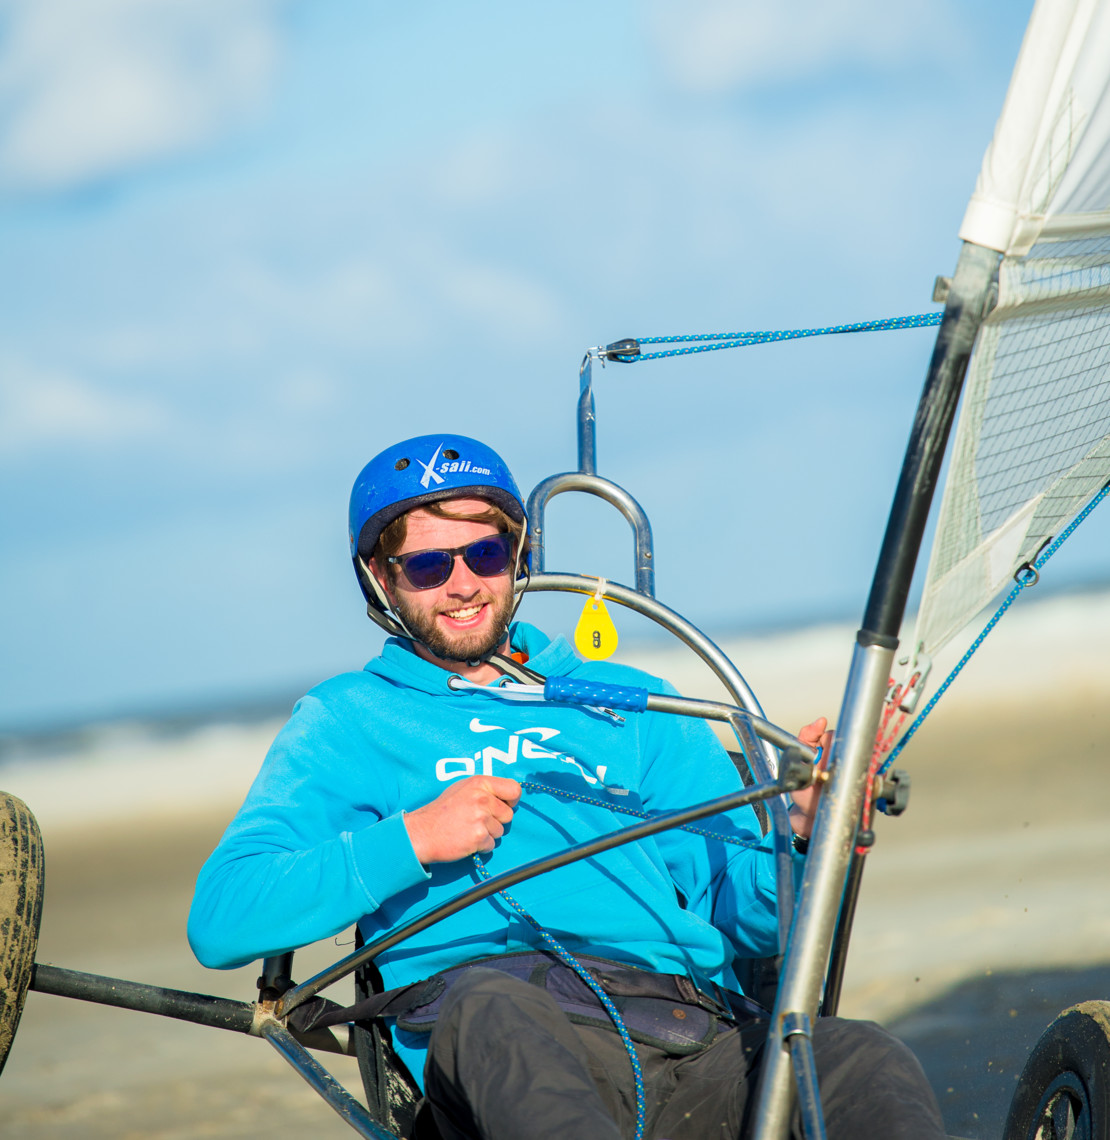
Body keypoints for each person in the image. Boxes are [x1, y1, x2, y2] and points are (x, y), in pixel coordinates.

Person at [188, 434, 945, 1140]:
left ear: (517, 555)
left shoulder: (634, 702)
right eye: (427, 567)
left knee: (862, 1057)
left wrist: (809, 827)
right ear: (381, 579)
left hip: (685, 1035)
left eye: (483, 554)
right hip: (497, 1039)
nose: (462, 585)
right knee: (497, 1008)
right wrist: (413, 838)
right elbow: (222, 919)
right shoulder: (349, 719)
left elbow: (755, 920)